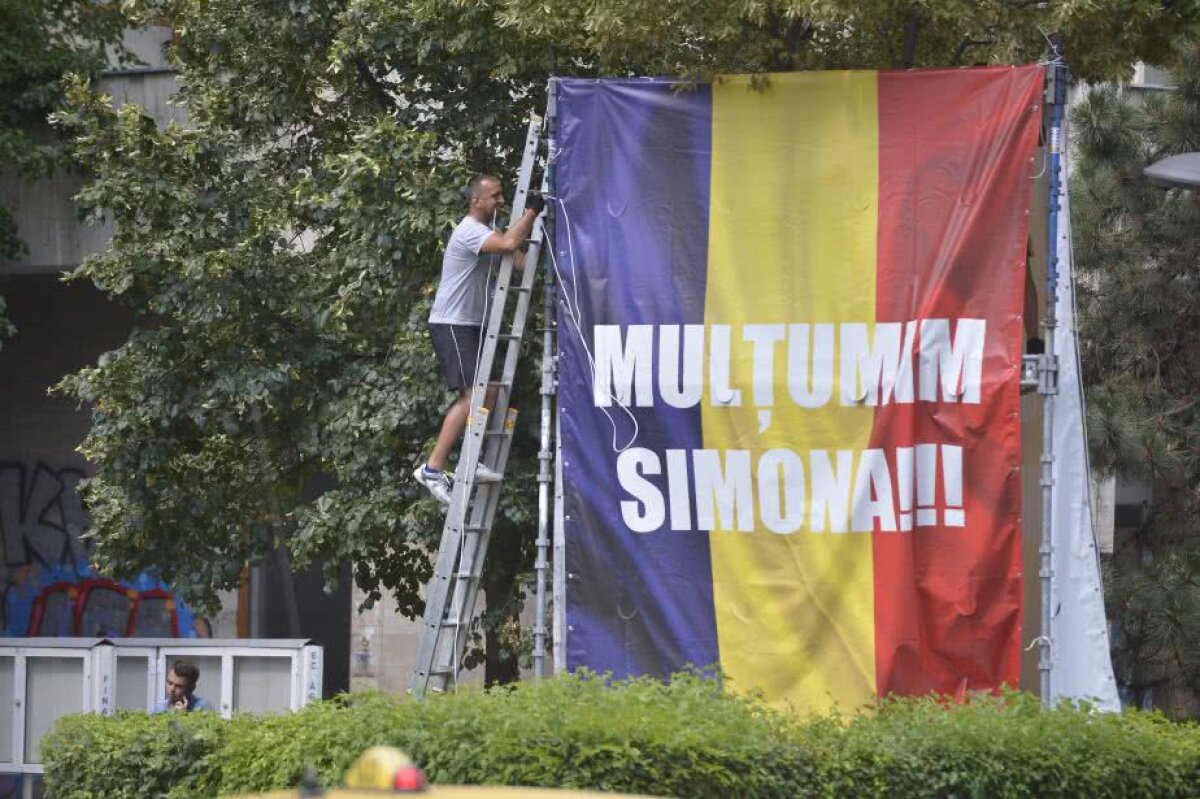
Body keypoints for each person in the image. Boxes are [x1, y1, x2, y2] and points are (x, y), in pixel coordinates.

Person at [413, 174, 544, 504]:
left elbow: (520, 263)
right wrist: (531, 212)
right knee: (473, 396)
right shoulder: (470, 231)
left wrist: (535, 231)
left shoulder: (489, 233)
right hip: (452, 324)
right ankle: (432, 469)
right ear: (476, 200)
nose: (501, 200)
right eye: (495, 196)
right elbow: (508, 246)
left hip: (472, 325)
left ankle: (473, 460)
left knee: (495, 392)